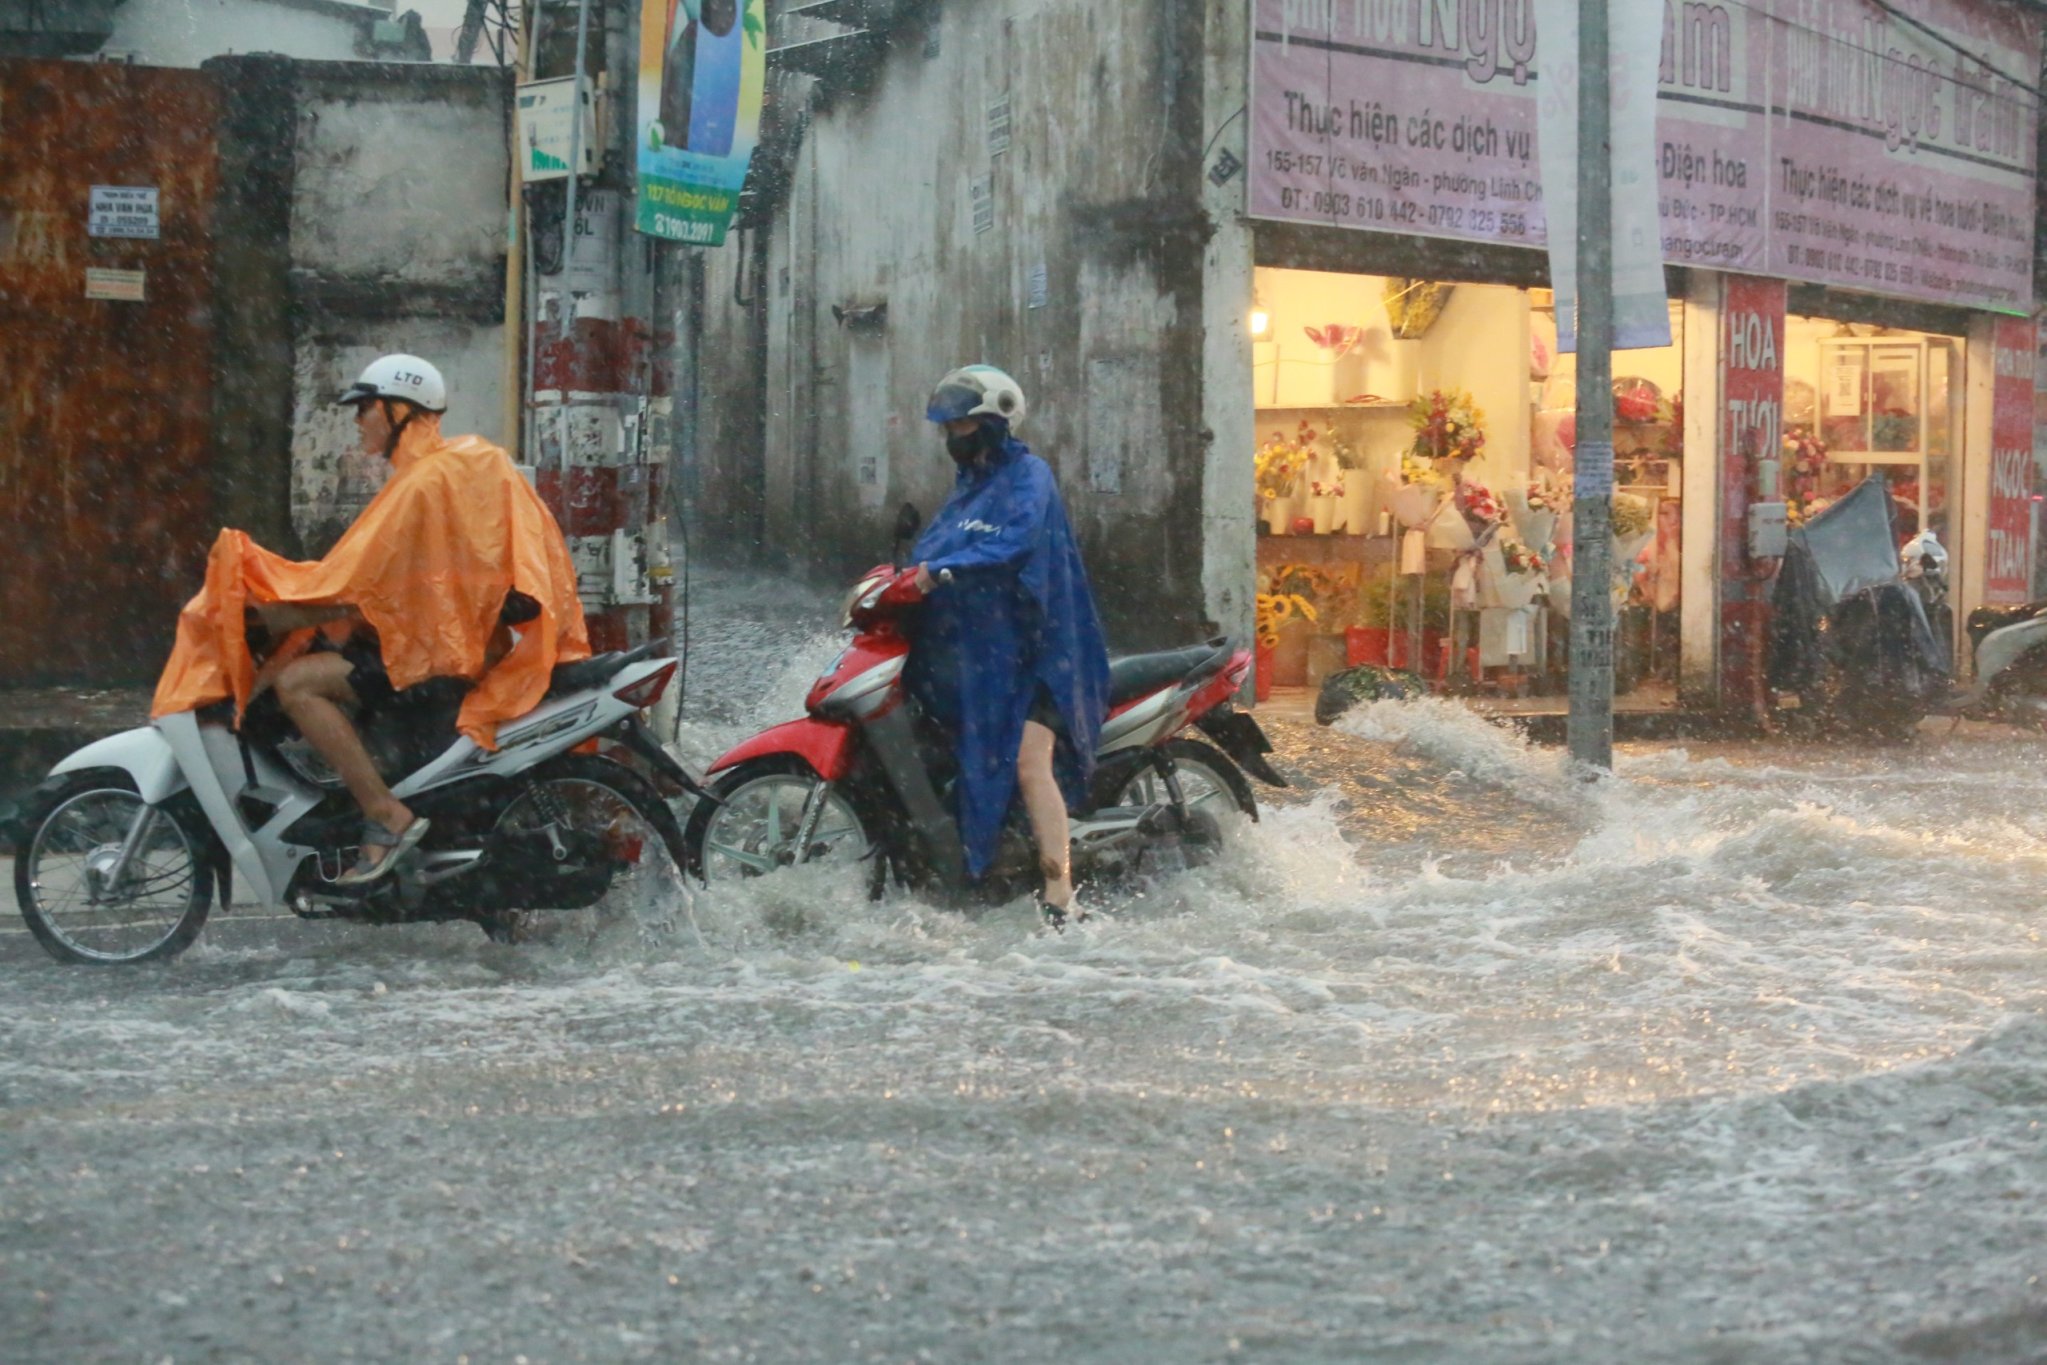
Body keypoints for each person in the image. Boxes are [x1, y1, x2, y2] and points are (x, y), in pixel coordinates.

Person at [152, 355, 589, 884]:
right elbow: (380, 581)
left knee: (297, 684)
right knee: (308, 666)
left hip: (433, 659)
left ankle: (384, 813)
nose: (359, 420)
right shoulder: (447, 471)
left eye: (366, 408)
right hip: (437, 646)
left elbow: (358, 583)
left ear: (399, 409)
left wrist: (278, 604)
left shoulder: (426, 482)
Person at [903, 365, 1110, 928]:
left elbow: (1012, 543)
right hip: (990, 654)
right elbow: (934, 546)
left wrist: (938, 572)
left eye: (966, 424)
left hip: (1043, 650)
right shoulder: (971, 486)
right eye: (949, 426)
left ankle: (1060, 891)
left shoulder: (1029, 477)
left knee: (1026, 762)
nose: (955, 436)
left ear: (997, 420)